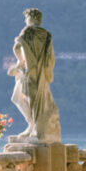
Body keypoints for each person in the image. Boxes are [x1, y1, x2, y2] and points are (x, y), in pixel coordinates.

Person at [10, 8, 61, 142]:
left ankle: (33, 126)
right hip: (41, 73)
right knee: (32, 100)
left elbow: (17, 47)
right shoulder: (46, 35)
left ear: (30, 18)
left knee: (23, 99)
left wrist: (20, 62)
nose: (25, 21)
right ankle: (32, 125)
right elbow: (51, 57)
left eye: (26, 18)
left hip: (28, 71)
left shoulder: (28, 32)